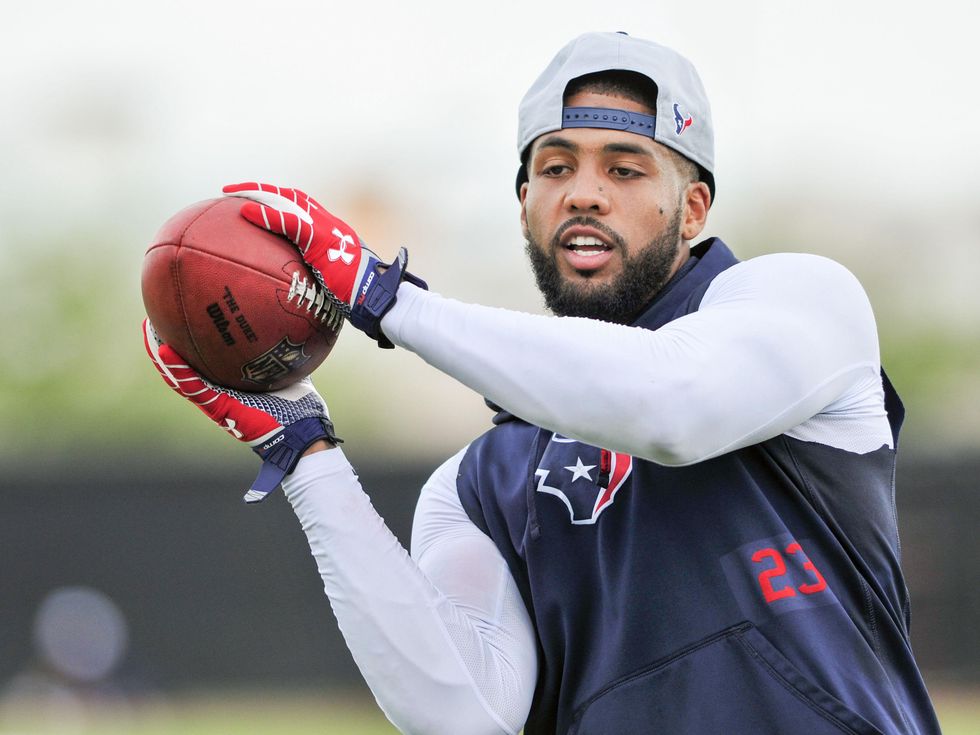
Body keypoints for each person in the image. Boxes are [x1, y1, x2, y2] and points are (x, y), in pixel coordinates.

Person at [143, 31, 942, 735]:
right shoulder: (478, 482)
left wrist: (389, 300)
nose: (584, 191)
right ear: (526, 206)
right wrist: (305, 449)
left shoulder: (800, 300)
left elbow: (672, 404)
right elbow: (462, 710)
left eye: (625, 168)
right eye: (555, 167)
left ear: (693, 208)